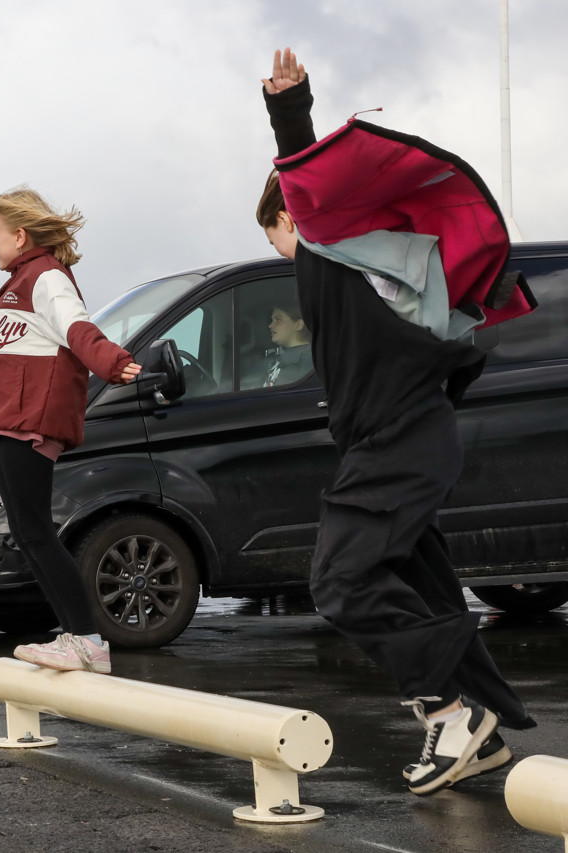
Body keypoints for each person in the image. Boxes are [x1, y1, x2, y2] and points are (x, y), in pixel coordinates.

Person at [258, 47, 534, 796]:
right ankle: (480, 727)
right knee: (425, 590)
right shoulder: (402, 279)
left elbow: (309, 195)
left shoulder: (322, 250)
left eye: (275, 237)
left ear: (293, 219)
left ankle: (448, 711)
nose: (284, 257)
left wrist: (291, 114)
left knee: (341, 580)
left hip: (396, 445)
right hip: (406, 443)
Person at [0, 187, 141, 674]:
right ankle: (74, 635)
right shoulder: (18, 281)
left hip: (29, 423)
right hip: (5, 422)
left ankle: (87, 640)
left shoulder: (46, 277)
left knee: (37, 532)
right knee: (28, 535)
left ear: (20, 235)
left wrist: (112, 361)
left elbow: (78, 330)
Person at [262, 302, 312, 387]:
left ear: (298, 325)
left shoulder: (309, 356)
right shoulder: (275, 358)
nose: (270, 326)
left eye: (278, 319)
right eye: (272, 320)